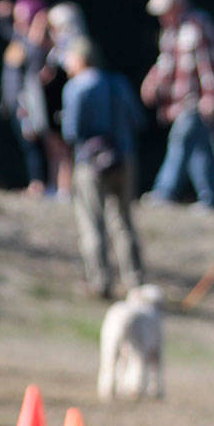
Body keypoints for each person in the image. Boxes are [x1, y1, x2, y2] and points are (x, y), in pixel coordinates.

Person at [59, 36, 146, 298]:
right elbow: (137, 120)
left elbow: (71, 131)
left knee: (91, 223)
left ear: (80, 59)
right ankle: (135, 280)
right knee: (123, 220)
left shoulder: (76, 88)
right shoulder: (118, 83)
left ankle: (100, 282)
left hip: (90, 162)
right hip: (124, 158)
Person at [141, 0, 214, 208]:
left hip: (195, 104)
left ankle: (163, 192)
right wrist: (151, 84)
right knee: (199, 152)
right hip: (177, 106)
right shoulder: (169, 33)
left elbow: (210, 66)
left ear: (178, 5)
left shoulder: (198, 26)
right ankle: (212, 199)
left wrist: (212, 97)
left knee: (180, 142)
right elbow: (164, 66)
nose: (161, 17)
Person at [0, 0, 51, 192]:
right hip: (12, 101)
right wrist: (2, 15)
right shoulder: (19, 39)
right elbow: (4, 28)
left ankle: (38, 182)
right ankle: (34, 181)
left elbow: (34, 65)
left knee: (32, 144)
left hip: (25, 101)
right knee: (24, 143)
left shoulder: (37, 43)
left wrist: (38, 28)